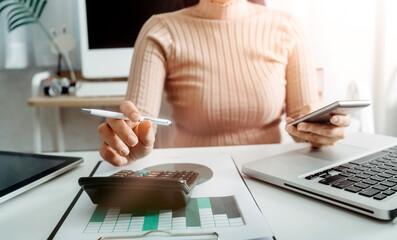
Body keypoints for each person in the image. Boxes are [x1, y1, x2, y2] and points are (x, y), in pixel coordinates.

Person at [98, 0, 351, 166]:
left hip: (270, 178)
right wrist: (130, 142)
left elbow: (302, 125)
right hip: (192, 179)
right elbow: (140, 123)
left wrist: (322, 133)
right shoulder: (159, 30)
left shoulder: (289, 28)